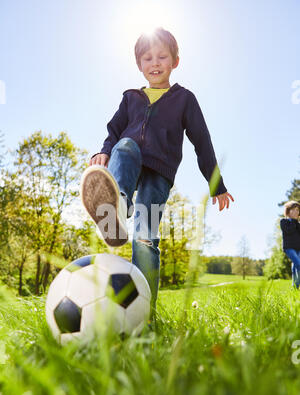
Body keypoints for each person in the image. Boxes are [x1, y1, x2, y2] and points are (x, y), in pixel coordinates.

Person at [80, 27, 234, 320]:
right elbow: (113, 131)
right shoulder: (131, 97)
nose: (155, 63)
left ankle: (144, 314)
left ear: (175, 61)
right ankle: (117, 205)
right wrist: (103, 151)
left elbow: (202, 141)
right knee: (124, 145)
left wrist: (217, 185)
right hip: (128, 162)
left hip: (159, 173)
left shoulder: (184, 99)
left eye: (162, 56)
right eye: (147, 58)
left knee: (145, 237)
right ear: (139, 65)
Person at [280, 200, 300, 289]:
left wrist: (297, 223)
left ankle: (295, 287)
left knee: (296, 266)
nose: (296, 212)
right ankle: (296, 286)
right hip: (289, 248)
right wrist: (293, 221)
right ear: (288, 211)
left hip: (298, 248)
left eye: (297, 210)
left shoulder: (298, 224)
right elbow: (288, 231)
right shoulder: (284, 221)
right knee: (299, 265)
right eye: (293, 209)